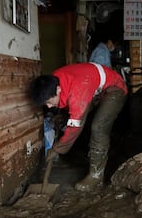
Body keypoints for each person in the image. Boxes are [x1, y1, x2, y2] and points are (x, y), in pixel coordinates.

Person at [28, 62, 128, 191]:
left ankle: (96, 176)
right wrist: (61, 116)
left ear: (58, 90)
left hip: (114, 88)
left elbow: (75, 127)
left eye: (49, 102)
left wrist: (57, 149)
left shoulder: (77, 92)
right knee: (76, 116)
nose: (48, 106)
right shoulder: (52, 82)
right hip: (92, 88)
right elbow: (66, 103)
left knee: (98, 127)